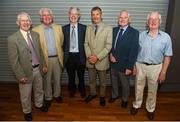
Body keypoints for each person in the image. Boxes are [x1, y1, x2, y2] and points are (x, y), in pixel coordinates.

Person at [130, 11, 173, 120]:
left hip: (156, 68)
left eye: (156, 19)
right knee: (138, 88)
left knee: (152, 90)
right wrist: (134, 66)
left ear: (160, 22)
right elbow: (135, 52)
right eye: (150, 19)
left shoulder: (166, 37)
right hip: (140, 65)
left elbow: (168, 56)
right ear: (147, 22)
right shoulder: (140, 35)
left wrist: (163, 72)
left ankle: (150, 109)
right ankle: (137, 104)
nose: (153, 21)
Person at [7, 12, 48, 121]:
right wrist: (20, 75)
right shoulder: (12, 39)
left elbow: (40, 51)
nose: (26, 23)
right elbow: (13, 61)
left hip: (38, 69)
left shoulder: (35, 35)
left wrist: (43, 65)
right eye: (23, 21)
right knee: (26, 95)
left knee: (39, 90)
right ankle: (27, 111)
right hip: (25, 73)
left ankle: (39, 104)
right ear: (18, 23)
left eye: (28, 20)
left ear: (31, 22)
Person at [33, 8, 64, 107]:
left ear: (52, 17)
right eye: (44, 15)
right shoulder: (35, 30)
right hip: (44, 60)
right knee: (46, 80)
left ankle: (57, 95)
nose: (47, 17)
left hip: (57, 58)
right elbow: (35, 49)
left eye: (49, 15)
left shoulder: (58, 28)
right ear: (41, 18)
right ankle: (48, 97)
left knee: (58, 79)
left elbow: (61, 42)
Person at [108, 10, 139, 108]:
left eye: (125, 17)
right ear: (118, 19)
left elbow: (134, 51)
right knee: (114, 81)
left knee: (125, 85)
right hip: (113, 63)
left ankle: (125, 99)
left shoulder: (134, 33)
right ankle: (114, 95)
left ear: (129, 19)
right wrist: (110, 54)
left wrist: (129, 67)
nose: (123, 19)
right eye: (121, 17)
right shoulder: (113, 30)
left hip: (125, 65)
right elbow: (109, 45)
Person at [84, 6, 112, 106]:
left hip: (102, 61)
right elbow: (86, 43)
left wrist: (97, 57)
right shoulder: (88, 28)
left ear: (101, 15)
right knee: (91, 81)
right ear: (91, 16)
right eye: (93, 14)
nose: (95, 16)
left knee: (103, 82)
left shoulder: (108, 28)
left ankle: (102, 96)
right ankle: (93, 94)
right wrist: (89, 56)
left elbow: (108, 46)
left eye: (97, 14)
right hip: (90, 60)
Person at [63, 7, 87, 98]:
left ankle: (82, 90)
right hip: (69, 56)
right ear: (69, 15)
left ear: (78, 16)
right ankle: (72, 90)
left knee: (81, 76)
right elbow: (63, 44)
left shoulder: (84, 28)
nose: (73, 16)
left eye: (75, 14)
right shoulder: (64, 29)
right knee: (71, 76)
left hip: (80, 56)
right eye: (71, 14)